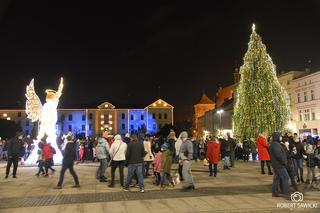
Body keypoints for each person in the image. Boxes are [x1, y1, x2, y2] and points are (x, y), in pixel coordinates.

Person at [269, 132, 290, 198]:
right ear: (277, 137)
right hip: (279, 165)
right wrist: (284, 162)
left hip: (276, 165)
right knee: (286, 178)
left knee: (276, 178)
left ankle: (274, 192)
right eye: (280, 136)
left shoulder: (274, 144)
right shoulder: (275, 145)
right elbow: (279, 155)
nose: (281, 137)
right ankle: (286, 193)